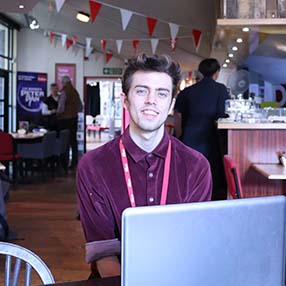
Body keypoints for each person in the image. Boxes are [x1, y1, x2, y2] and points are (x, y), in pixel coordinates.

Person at [76, 54, 212, 278]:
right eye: (141, 91)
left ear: (170, 104)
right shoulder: (93, 166)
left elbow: (192, 246)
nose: (151, 100)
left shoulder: (196, 166)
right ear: (125, 100)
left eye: (162, 93)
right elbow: (104, 254)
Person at [174, 58, 229, 201]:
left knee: (188, 174)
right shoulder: (221, 90)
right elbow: (225, 116)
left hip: (189, 138)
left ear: (201, 72)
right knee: (211, 175)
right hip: (211, 139)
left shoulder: (187, 92)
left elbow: (177, 115)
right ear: (217, 73)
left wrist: (179, 136)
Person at [57, 76, 82, 169]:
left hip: (65, 120)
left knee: (65, 142)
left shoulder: (64, 92)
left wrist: (56, 113)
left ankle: (64, 163)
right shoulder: (75, 92)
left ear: (64, 82)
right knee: (73, 141)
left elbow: (61, 108)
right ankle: (74, 163)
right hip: (74, 118)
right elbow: (80, 107)